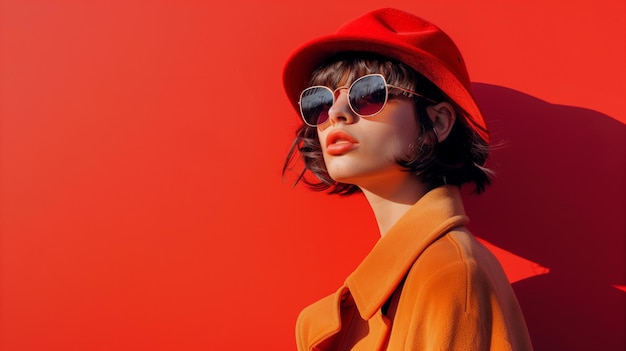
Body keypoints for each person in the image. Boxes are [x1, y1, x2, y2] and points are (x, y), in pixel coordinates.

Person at [282, 8, 533, 351]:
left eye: (367, 94)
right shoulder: (420, 277)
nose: (337, 114)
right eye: (320, 102)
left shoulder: (448, 277)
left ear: (439, 122)